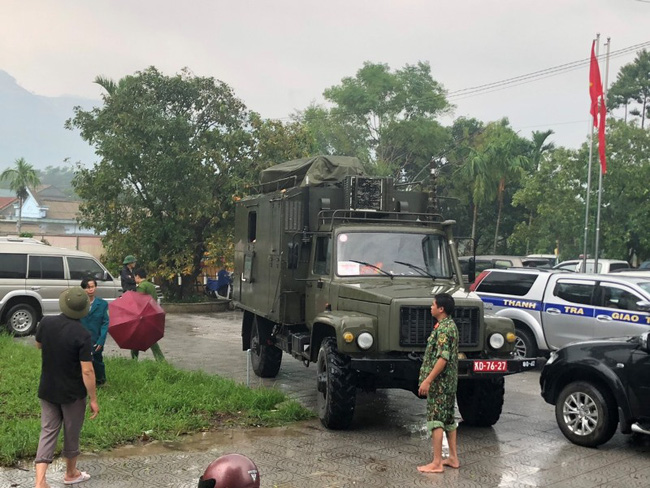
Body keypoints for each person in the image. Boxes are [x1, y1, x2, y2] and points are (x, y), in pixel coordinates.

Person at [34, 287, 99, 488]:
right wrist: (94, 399)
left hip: (48, 389)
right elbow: (87, 371)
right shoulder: (83, 334)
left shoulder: (46, 322)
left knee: (48, 431)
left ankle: (40, 481)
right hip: (72, 394)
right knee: (71, 433)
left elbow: (39, 345)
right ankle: (71, 473)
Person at [417, 292, 460, 474]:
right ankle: (453, 457)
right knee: (449, 418)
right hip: (450, 382)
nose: (431, 307)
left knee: (436, 421)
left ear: (441, 309)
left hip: (440, 384)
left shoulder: (443, 329)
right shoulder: (450, 326)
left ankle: (436, 462)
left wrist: (428, 380)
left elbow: (442, 358)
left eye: (433, 304)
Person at [130, 268, 165, 361]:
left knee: (137, 338)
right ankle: (160, 360)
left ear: (137, 276)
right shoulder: (151, 285)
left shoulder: (141, 287)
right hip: (151, 313)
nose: (134, 279)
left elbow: (139, 302)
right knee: (147, 338)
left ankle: (134, 360)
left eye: (134, 277)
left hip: (142, 315)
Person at [80, 278, 109, 386]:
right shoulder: (79, 304)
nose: (90, 289)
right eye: (88, 287)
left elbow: (105, 323)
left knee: (97, 360)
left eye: (92, 287)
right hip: (82, 339)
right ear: (83, 289)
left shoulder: (102, 304)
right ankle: (82, 382)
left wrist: (101, 340)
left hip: (96, 338)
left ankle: (101, 381)